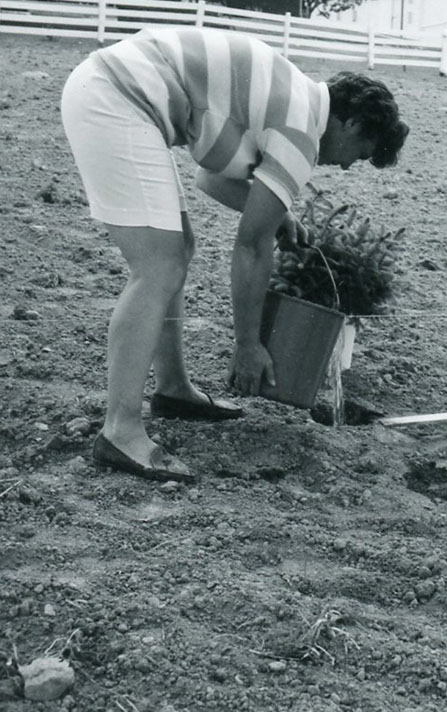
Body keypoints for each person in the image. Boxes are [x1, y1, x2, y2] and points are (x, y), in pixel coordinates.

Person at [61, 27, 408, 483]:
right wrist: (249, 345)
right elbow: (251, 245)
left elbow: (211, 179)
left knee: (177, 249)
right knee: (158, 264)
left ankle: (173, 389)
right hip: (116, 98)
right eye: (359, 155)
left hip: (111, 89)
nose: (345, 166)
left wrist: (273, 213)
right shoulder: (302, 129)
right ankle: (120, 430)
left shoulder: (293, 97)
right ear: (352, 123)